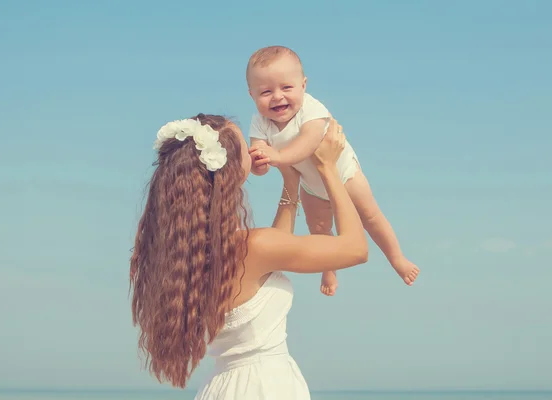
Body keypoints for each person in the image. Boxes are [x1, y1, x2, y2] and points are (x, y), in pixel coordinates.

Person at [129, 114, 368, 399]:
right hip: (264, 387)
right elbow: (356, 248)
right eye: (245, 144)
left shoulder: (191, 258)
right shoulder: (253, 247)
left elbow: (274, 253)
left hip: (222, 386)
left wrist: (290, 183)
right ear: (230, 169)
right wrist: (328, 168)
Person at [246, 45, 420, 295]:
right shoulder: (259, 122)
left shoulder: (311, 109)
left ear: (303, 85)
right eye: (265, 91)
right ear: (251, 94)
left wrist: (279, 156)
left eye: (286, 87)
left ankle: (397, 259)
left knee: (370, 217)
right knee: (318, 227)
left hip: (344, 173)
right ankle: (328, 267)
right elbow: (259, 157)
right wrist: (260, 165)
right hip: (309, 183)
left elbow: (308, 143)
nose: (277, 96)